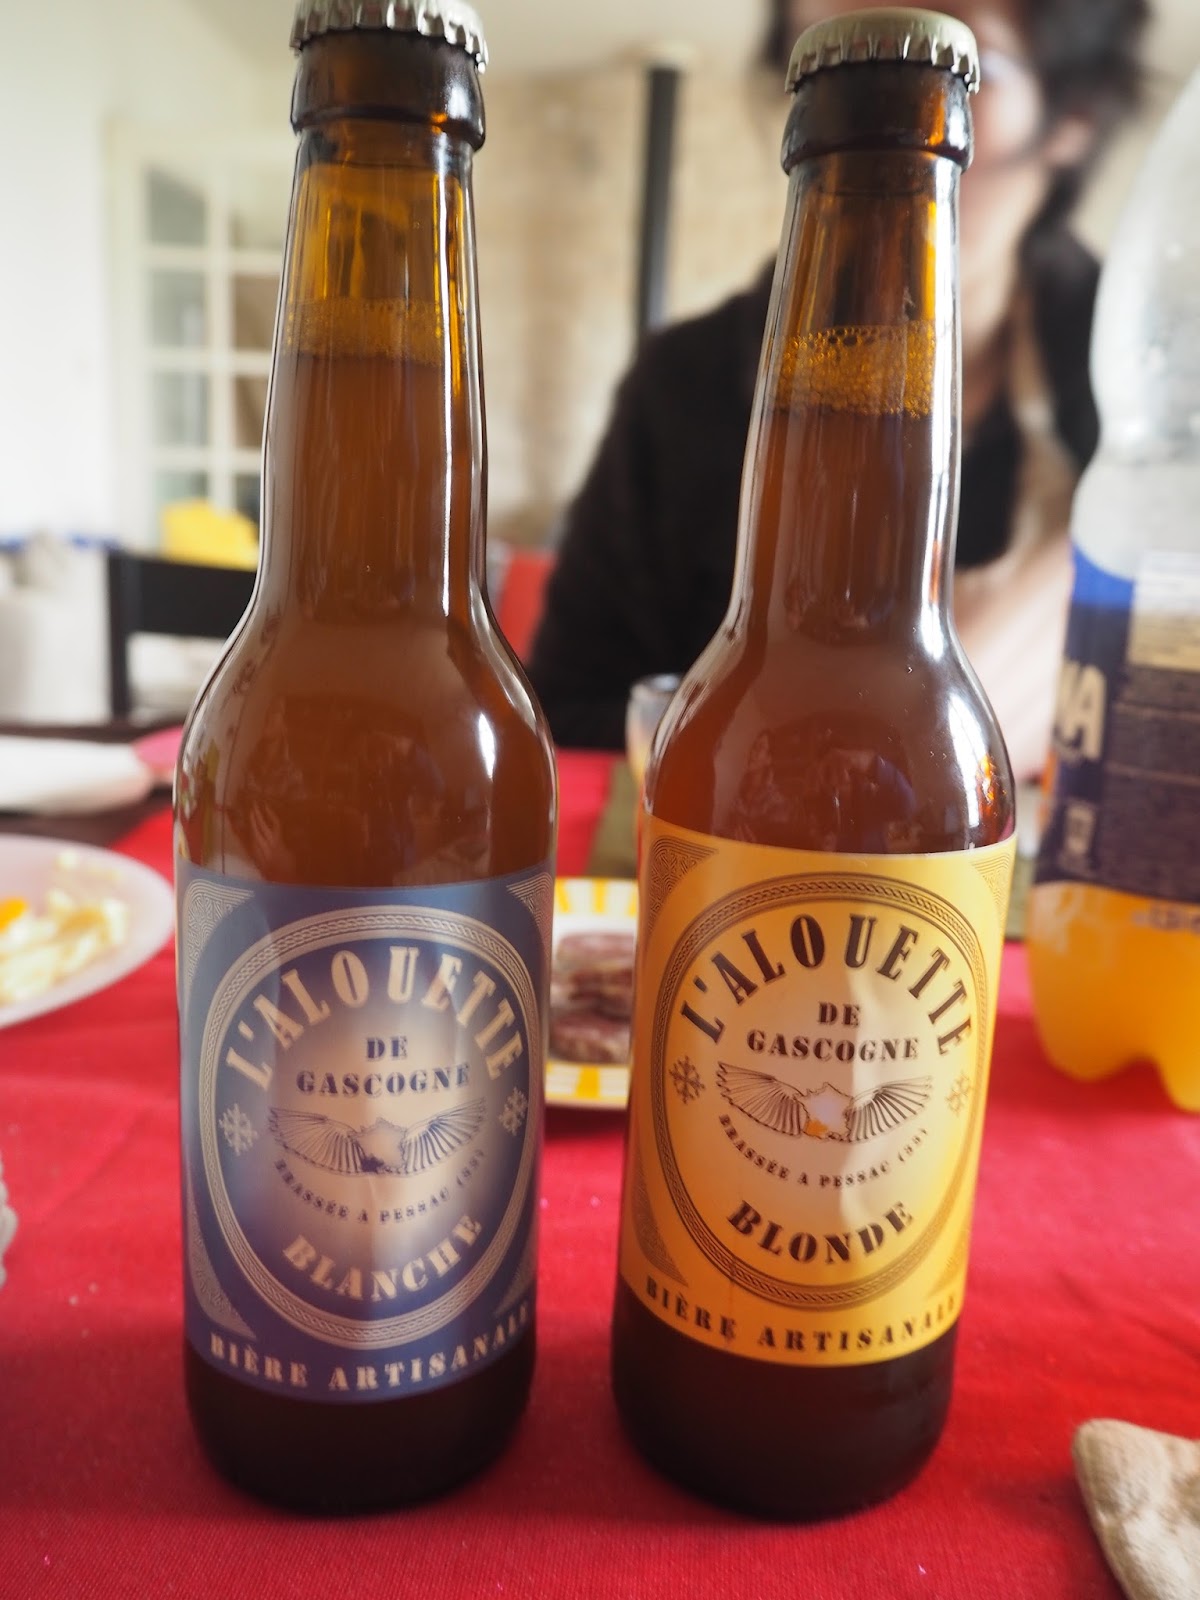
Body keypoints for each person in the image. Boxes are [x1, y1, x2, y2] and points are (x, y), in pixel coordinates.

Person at [527, 0, 1149, 778]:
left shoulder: (1159, 382)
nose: (883, 97)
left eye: (952, 67)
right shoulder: (684, 382)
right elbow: (572, 714)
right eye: (841, 61)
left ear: (1076, 112)